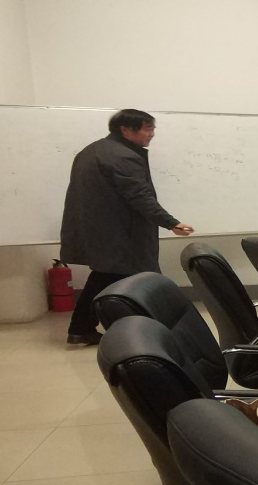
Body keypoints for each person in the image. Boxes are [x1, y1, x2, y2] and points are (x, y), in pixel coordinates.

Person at [60, 109, 194, 345]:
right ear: (125, 130)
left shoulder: (91, 150)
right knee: (125, 277)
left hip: (103, 229)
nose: (152, 134)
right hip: (121, 233)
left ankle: (84, 328)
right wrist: (170, 222)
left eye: (153, 128)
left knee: (107, 276)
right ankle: (140, 329)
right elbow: (140, 196)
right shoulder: (123, 157)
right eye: (147, 129)